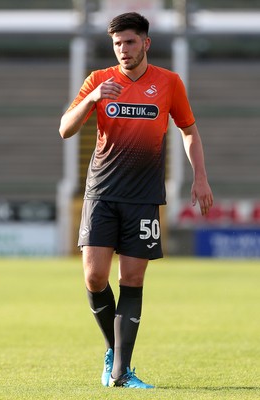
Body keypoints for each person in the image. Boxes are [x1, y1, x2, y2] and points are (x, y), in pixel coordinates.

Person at [59, 12, 213, 389]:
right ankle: (115, 351)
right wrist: (92, 98)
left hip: (143, 197)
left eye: (129, 42)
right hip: (101, 193)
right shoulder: (99, 80)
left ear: (146, 43)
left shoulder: (169, 83)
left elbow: (189, 131)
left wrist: (201, 178)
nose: (123, 50)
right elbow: (65, 129)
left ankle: (121, 372)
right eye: (116, 44)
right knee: (95, 277)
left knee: (131, 278)